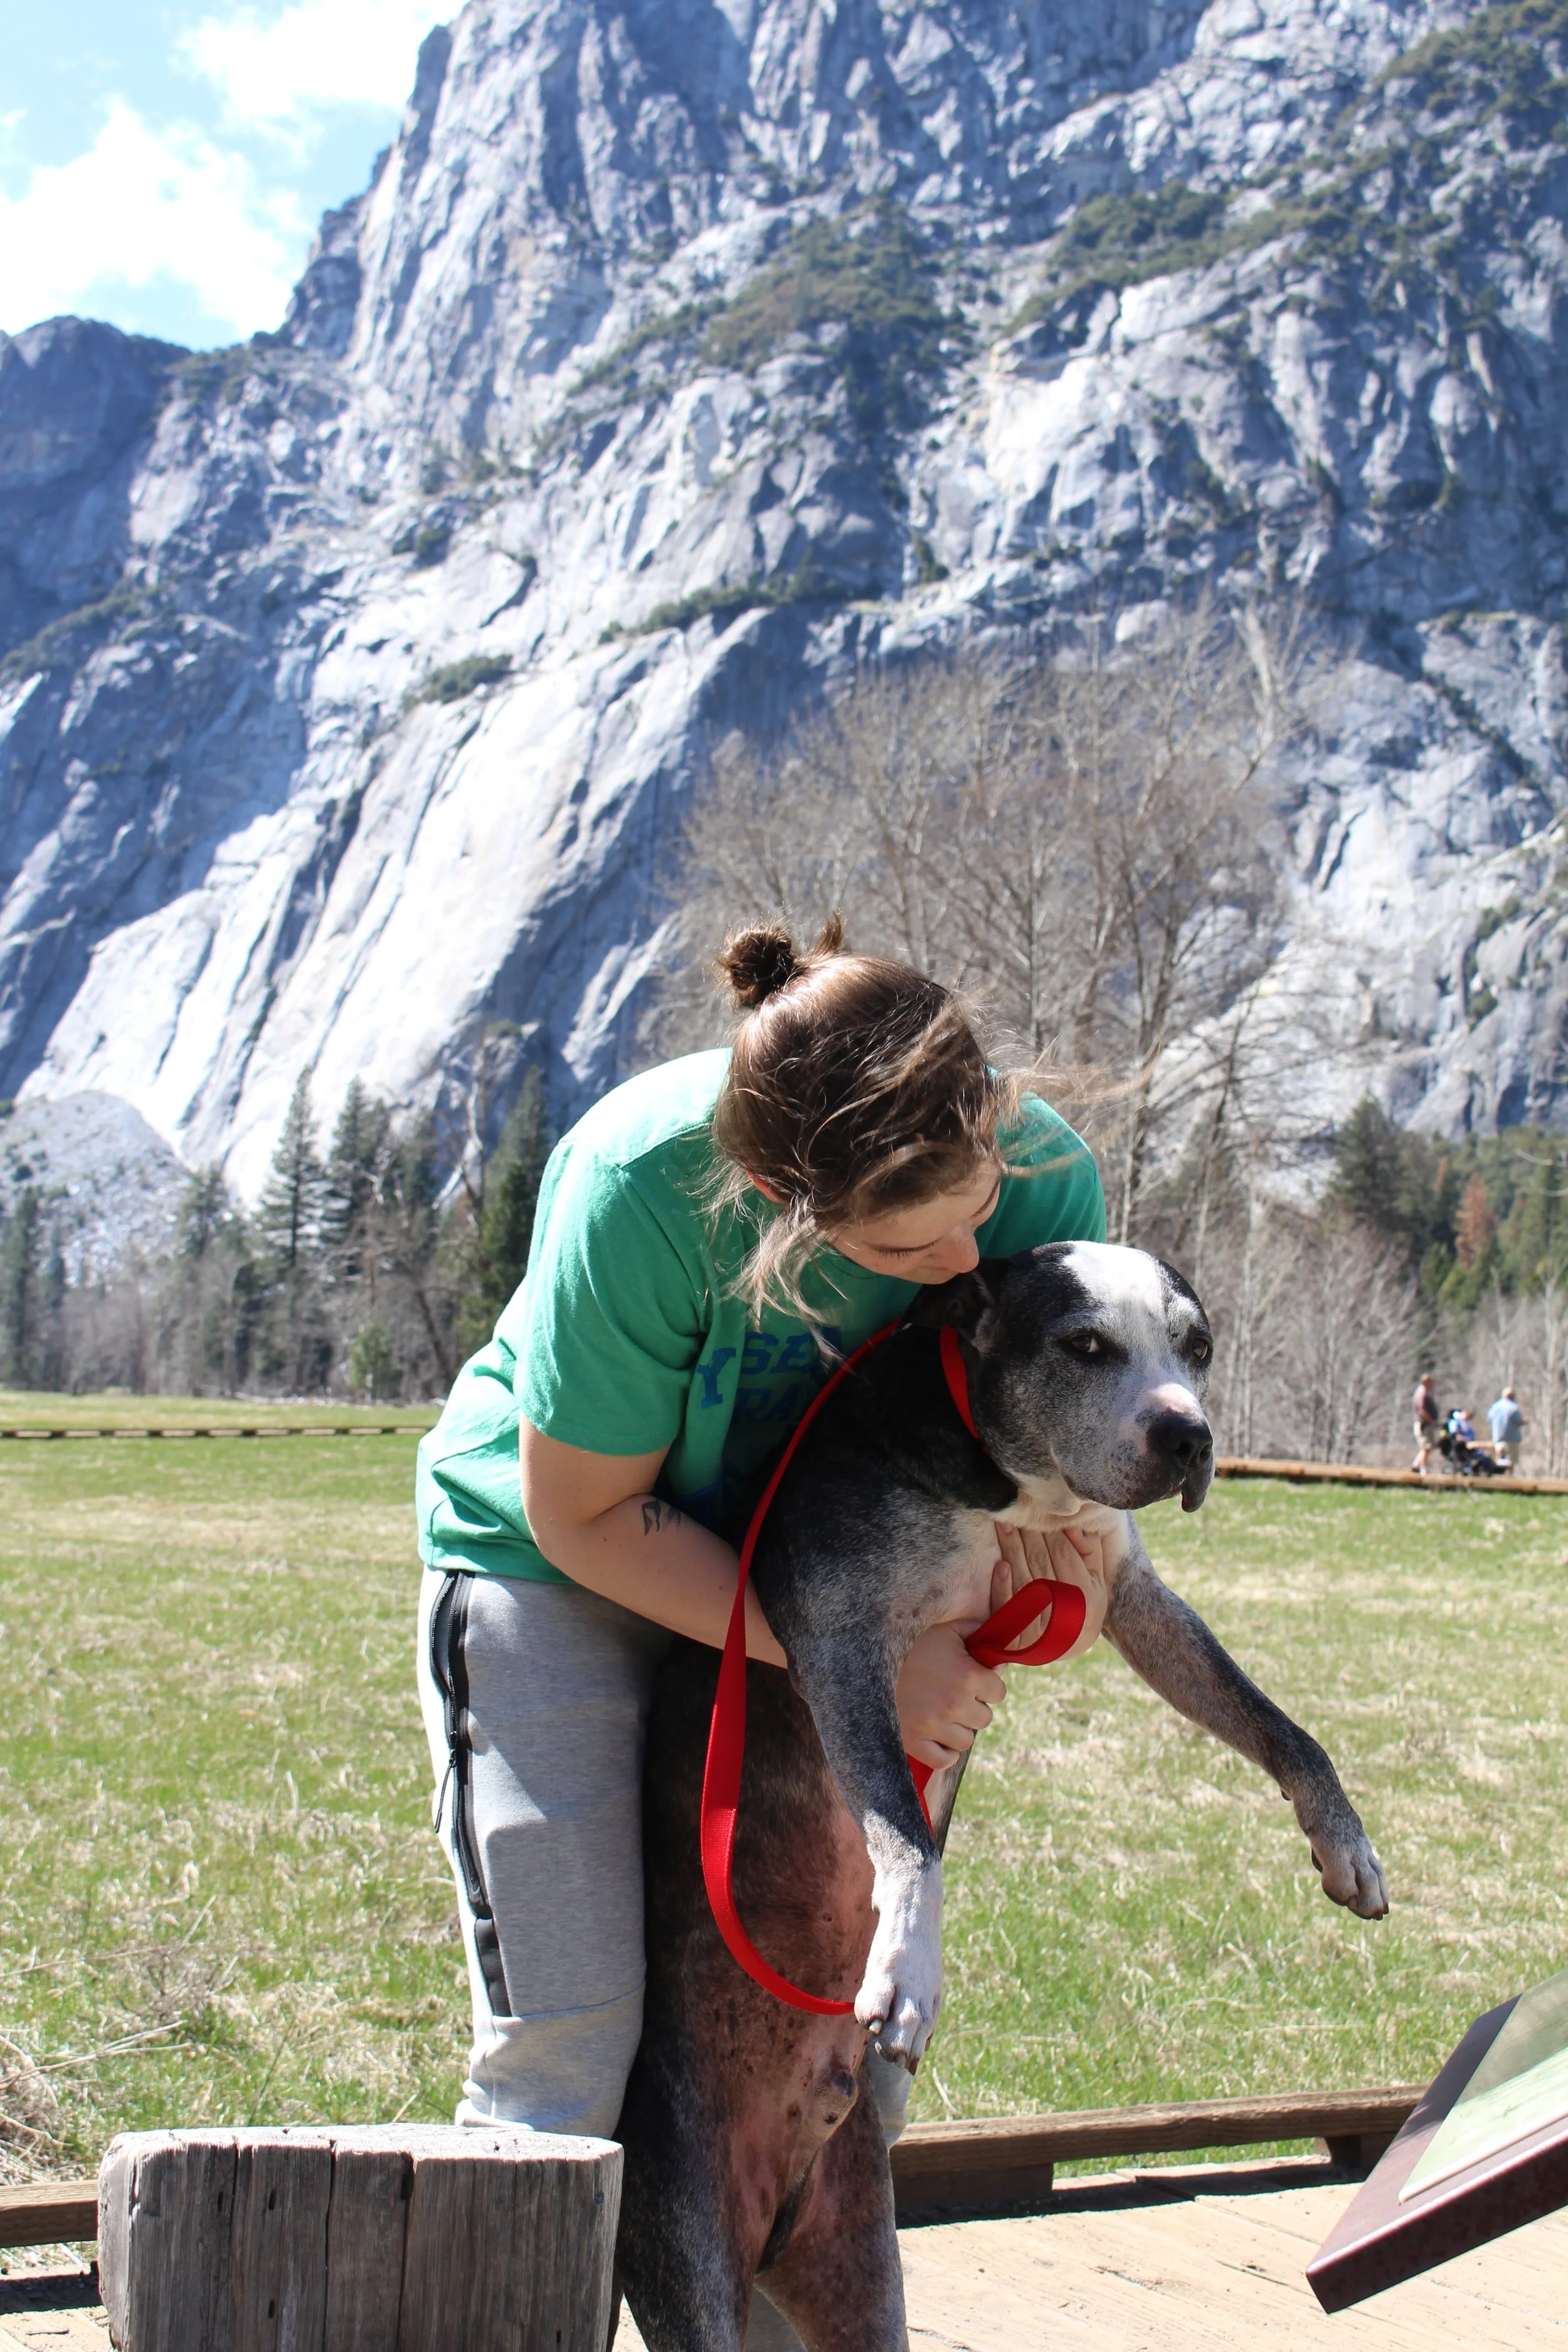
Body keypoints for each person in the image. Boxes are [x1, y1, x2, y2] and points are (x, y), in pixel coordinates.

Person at [413, 918, 1108, 2154]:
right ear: (783, 1213)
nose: (962, 1263)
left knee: (837, 2063)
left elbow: (1023, 1487)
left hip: (844, 1593)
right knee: (568, 2049)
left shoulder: (1044, 1177)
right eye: (903, 1250)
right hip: (564, 1566)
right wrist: (875, 1666)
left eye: (976, 1210)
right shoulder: (640, 1189)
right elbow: (583, 1513)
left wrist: (996, 1608)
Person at [1487, 1385, 1525, 1471]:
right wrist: (1524, 1422)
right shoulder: (1513, 1407)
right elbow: (1517, 1422)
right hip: (1511, 1439)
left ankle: (1499, 1477)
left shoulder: (1495, 1407)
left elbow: (1489, 1419)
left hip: (1498, 1438)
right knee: (1510, 1462)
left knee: (1499, 1460)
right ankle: (1509, 1478)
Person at [1411, 1372, 1440, 1473]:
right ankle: (1422, 1469)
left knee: (1429, 1447)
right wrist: (1431, 1420)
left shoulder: (1425, 1392)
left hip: (1426, 1424)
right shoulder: (1422, 1393)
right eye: (1431, 1382)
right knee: (1426, 1447)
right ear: (1426, 1382)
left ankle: (1416, 1464)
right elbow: (1421, 1410)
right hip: (1423, 1424)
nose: (1433, 1385)